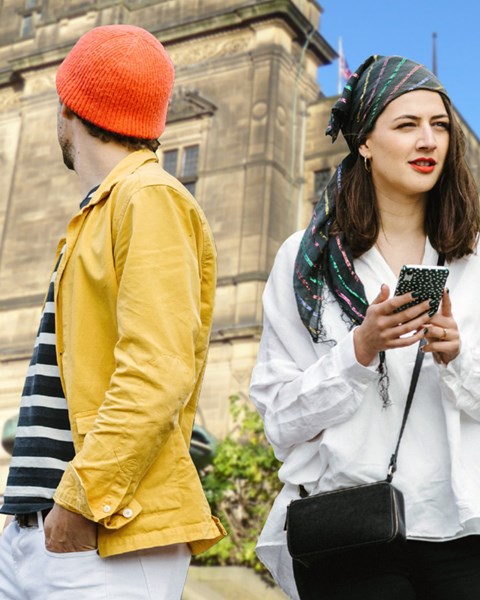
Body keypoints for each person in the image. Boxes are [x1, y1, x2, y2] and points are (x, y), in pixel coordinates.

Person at [249, 55, 480, 600]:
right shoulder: (306, 260)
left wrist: (460, 359)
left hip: (470, 521)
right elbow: (280, 421)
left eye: (439, 126)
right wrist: (358, 351)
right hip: (350, 523)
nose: (428, 140)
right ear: (364, 141)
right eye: (407, 125)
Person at [0, 25, 225, 599]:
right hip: (40, 532)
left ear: (68, 107)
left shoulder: (149, 197)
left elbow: (157, 370)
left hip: (104, 535)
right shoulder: (100, 211)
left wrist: (83, 498)